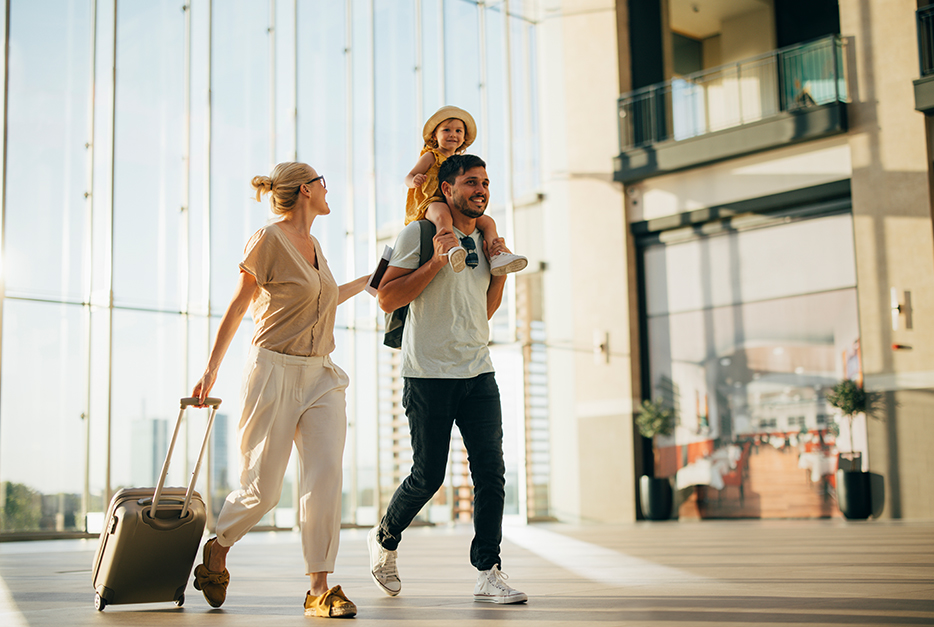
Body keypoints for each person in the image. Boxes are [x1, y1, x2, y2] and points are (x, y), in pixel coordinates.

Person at [190, 162, 368, 618]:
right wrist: (211, 369)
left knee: (325, 474)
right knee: (263, 490)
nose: (329, 190)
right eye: (323, 183)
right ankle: (220, 546)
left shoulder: (316, 246)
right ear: (306, 190)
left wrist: (370, 280)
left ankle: (319, 588)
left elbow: (322, 299)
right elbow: (238, 304)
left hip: (321, 375)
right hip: (273, 371)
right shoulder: (269, 239)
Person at [369, 154, 528, 605]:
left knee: (491, 473)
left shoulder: (485, 238)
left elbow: (484, 309)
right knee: (428, 475)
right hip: (428, 374)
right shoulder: (419, 234)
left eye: (486, 183)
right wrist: (437, 263)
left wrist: (499, 273)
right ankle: (384, 538)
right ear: (447, 189)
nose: (482, 189)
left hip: (478, 371)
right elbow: (386, 298)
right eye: (472, 182)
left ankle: (488, 571)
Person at [405, 105, 527, 276]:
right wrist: (414, 181)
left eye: (458, 131)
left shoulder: (461, 162)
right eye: (446, 130)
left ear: (464, 137)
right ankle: (450, 247)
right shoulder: (431, 156)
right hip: (433, 201)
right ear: (435, 135)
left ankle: (497, 254)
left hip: (455, 203)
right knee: (442, 215)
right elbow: (409, 175)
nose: (453, 134)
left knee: (488, 222)